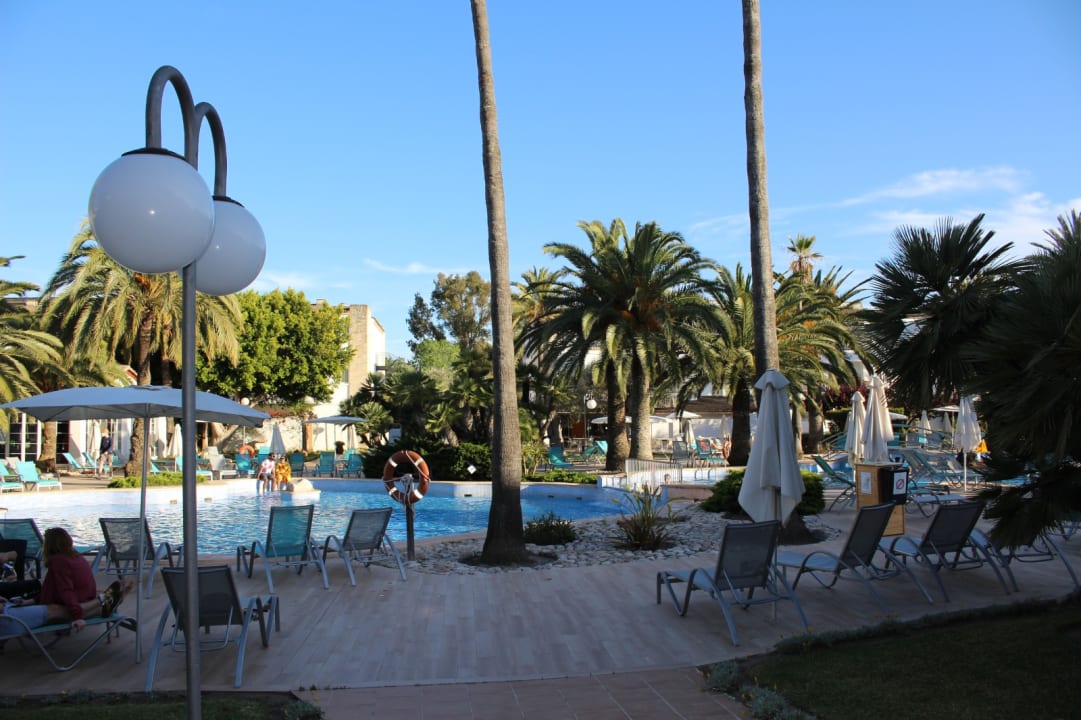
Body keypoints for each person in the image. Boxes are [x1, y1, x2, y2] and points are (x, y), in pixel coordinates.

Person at [0, 527, 132, 636]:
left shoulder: (58, 561)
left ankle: (106, 601)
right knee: (57, 609)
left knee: (58, 609)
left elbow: (59, 590)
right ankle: (104, 601)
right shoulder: (75, 558)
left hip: (68, 601)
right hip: (77, 599)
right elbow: (61, 590)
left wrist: (28, 601)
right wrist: (77, 616)